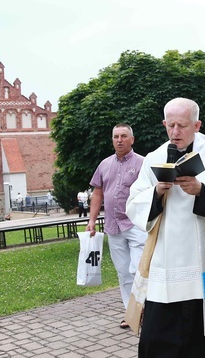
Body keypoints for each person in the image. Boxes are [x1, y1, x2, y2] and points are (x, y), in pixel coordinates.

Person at [126, 98, 205, 356]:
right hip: (167, 264)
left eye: (182, 125)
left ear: (197, 124)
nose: (175, 132)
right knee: (157, 336)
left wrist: (202, 191)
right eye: (170, 125)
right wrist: (156, 193)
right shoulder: (154, 158)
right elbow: (134, 203)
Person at [85, 123, 146, 329]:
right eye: (115, 136)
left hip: (136, 224)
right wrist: (92, 221)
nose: (119, 140)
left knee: (137, 269)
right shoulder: (104, 165)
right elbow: (98, 194)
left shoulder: (142, 164)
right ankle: (132, 313)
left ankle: (146, 308)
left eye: (123, 136)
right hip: (113, 226)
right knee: (122, 272)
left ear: (132, 139)